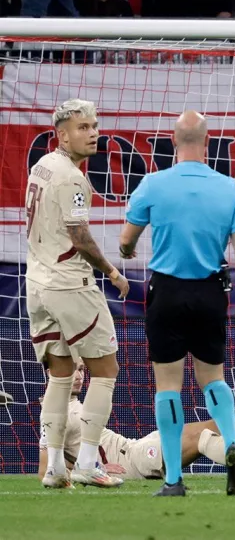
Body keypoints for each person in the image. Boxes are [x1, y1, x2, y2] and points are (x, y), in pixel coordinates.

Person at [119, 110, 235, 497]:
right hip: (210, 292)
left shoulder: (152, 184)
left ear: (173, 141)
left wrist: (127, 248)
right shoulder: (230, 188)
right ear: (208, 143)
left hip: (166, 293)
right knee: (214, 378)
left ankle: (174, 479)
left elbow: (127, 240)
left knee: (168, 386)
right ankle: (232, 446)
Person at [26, 99, 129, 489]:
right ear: (62, 135)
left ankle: (54, 468)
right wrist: (113, 273)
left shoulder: (41, 167)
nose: (93, 133)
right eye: (83, 127)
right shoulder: (70, 176)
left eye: (95, 125)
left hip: (37, 284)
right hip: (70, 283)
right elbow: (80, 236)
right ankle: (87, 462)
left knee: (61, 376)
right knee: (106, 371)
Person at [37, 362, 235, 483]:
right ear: (50, 373)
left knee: (227, 426)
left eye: (80, 368)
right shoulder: (51, 414)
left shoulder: (82, 403)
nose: (78, 375)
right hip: (132, 463)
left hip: (136, 446)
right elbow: (46, 472)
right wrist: (89, 472)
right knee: (201, 441)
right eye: (71, 370)